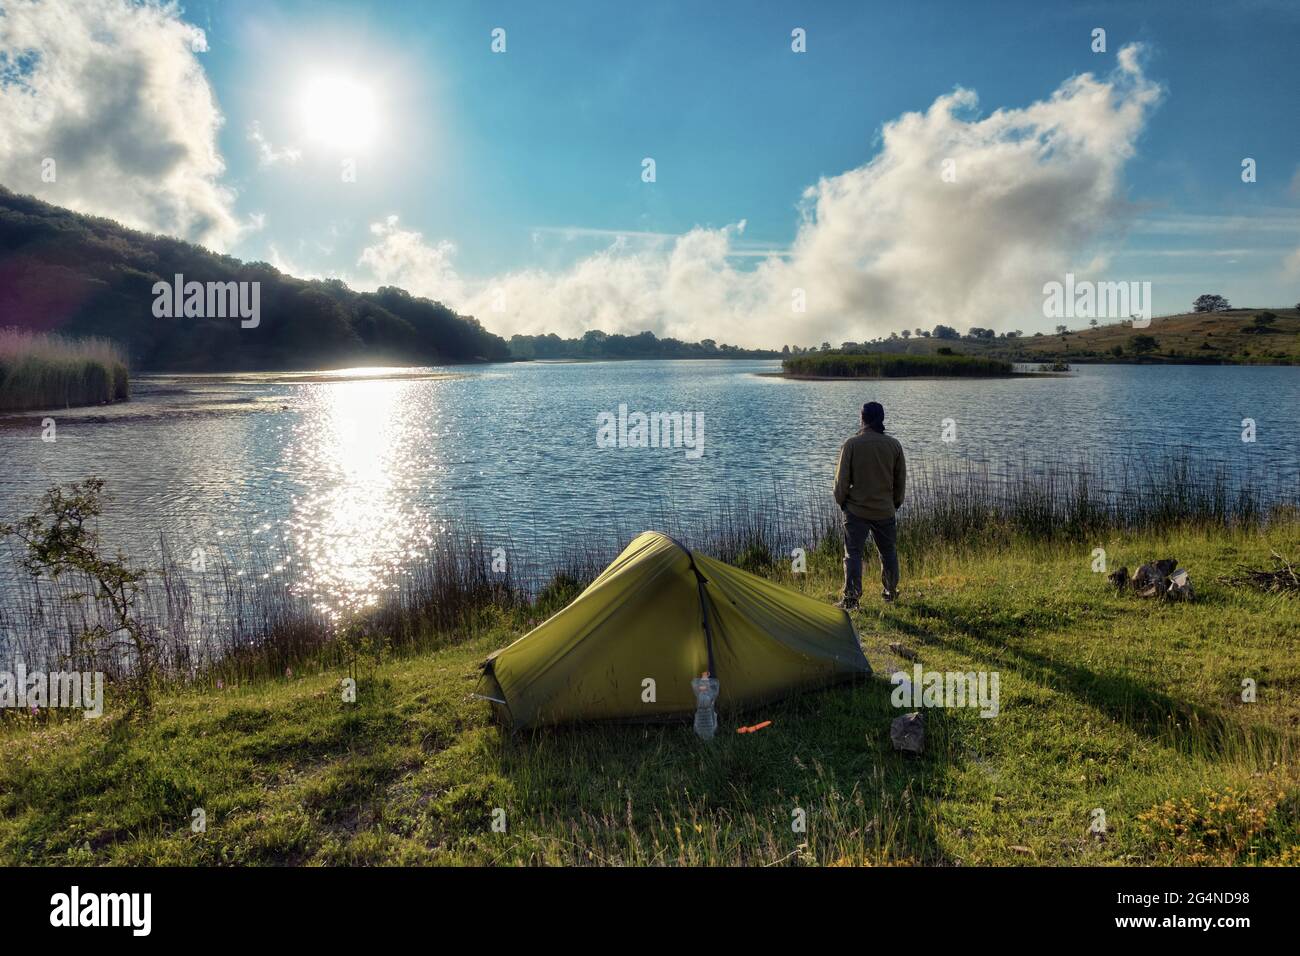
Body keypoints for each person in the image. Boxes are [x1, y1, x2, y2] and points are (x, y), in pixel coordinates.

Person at [832, 401, 906, 609]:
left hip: (856, 510)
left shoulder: (851, 444)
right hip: (885, 509)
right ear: (881, 419)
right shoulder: (894, 445)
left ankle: (852, 598)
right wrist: (895, 503)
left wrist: (842, 501)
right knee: (888, 552)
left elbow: (841, 482)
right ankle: (890, 592)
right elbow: (900, 481)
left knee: (853, 554)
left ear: (862, 419)